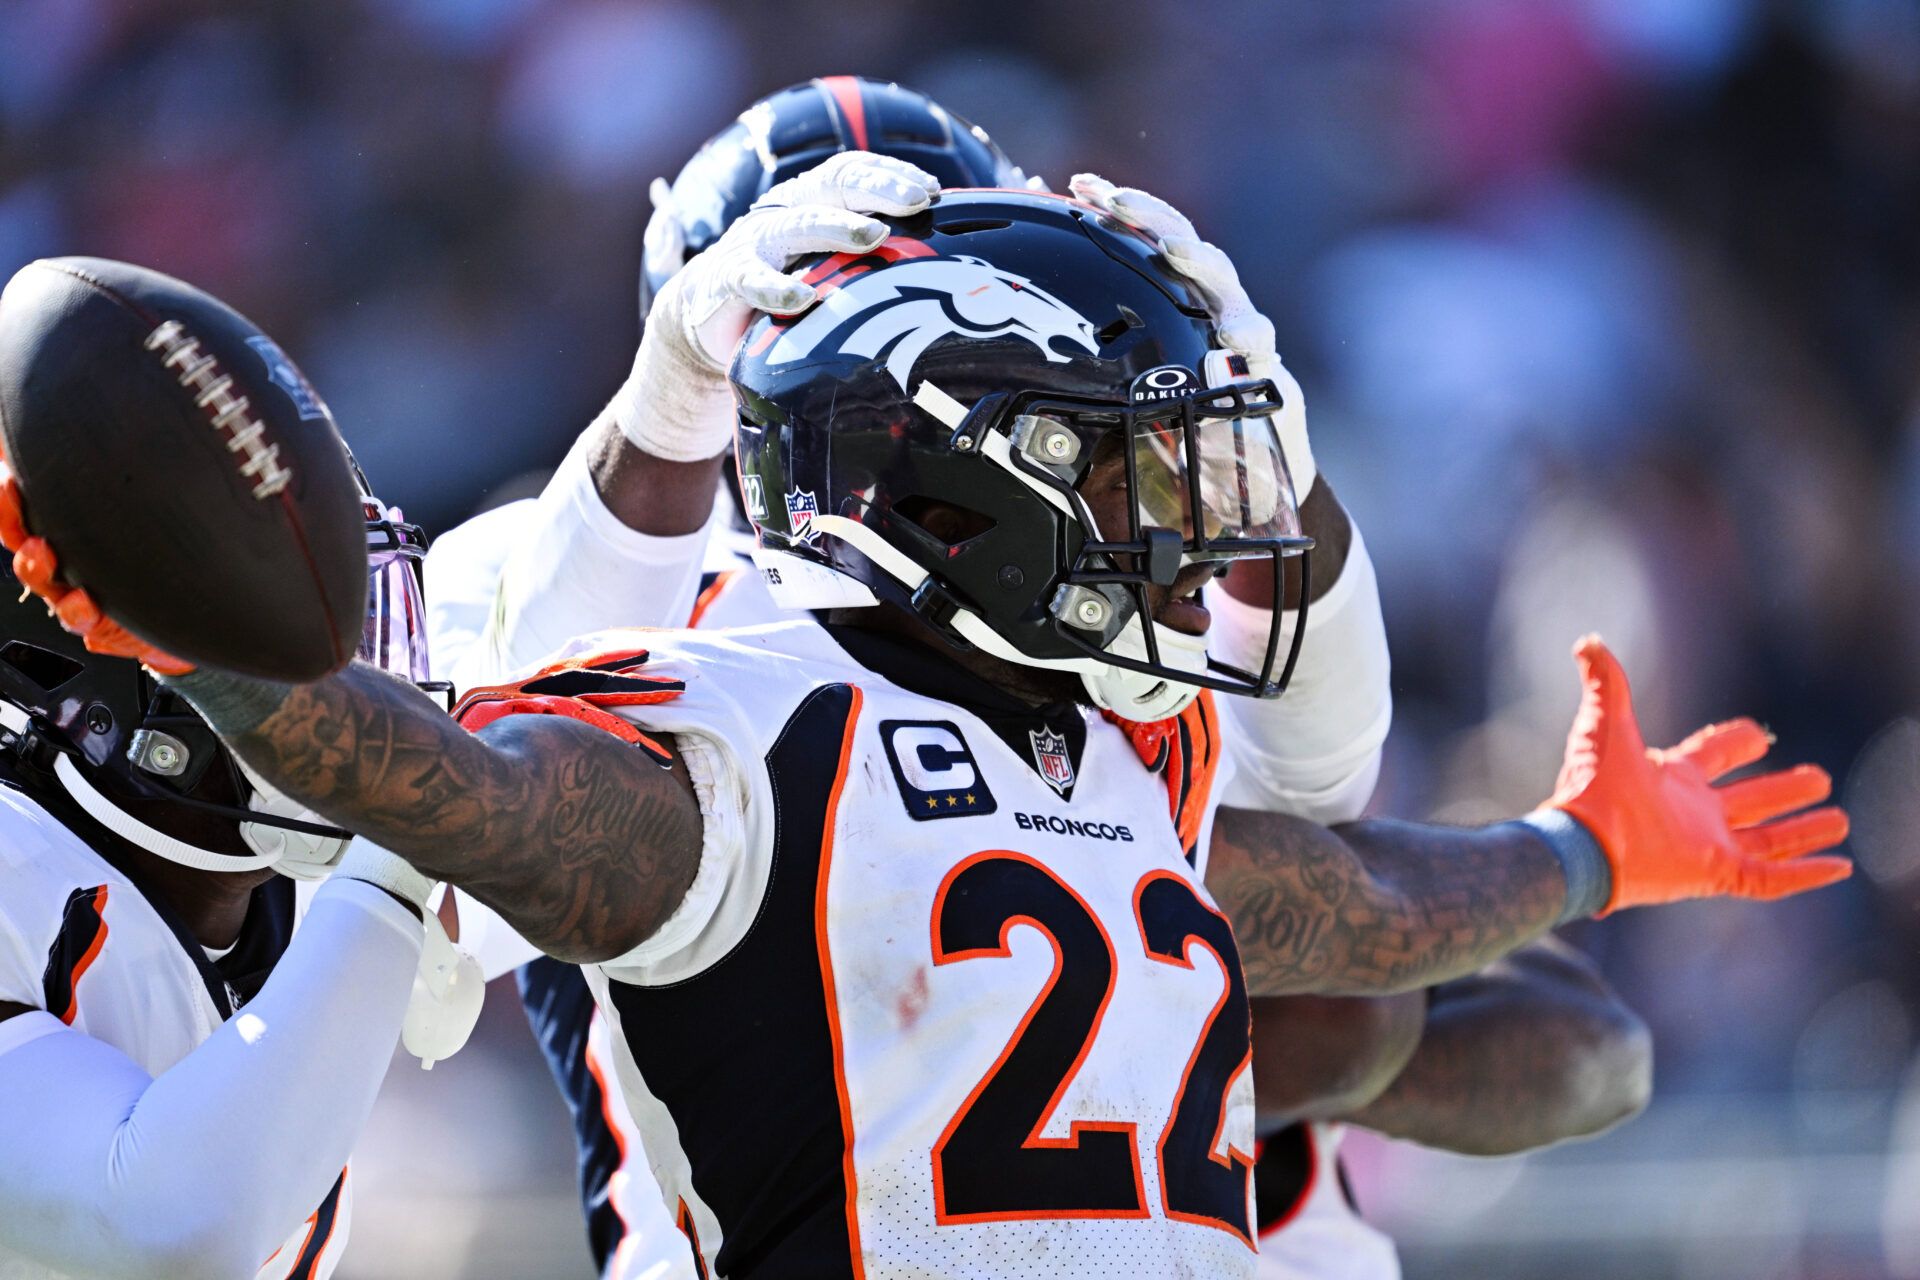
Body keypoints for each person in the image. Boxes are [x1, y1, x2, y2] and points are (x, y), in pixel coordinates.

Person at [28, 184, 1850, 1280]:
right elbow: (456, 793)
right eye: (1130, 476)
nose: (1184, 532)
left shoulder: (1114, 758)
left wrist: (1585, 852)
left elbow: (1351, 900)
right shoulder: (741, 713)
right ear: (977, 484)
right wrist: (189, 639)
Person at [425, 84, 1654, 1278]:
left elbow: (1328, 796)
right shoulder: (591, 570)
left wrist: (1278, 465)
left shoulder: (1074, 611)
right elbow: (521, 741)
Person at [0, 410, 449, 1279]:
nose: (356, 704)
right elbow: (174, 1226)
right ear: (98, 672)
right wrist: (404, 850)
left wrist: (667, 406)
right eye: (284, 638)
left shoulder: (291, 883)